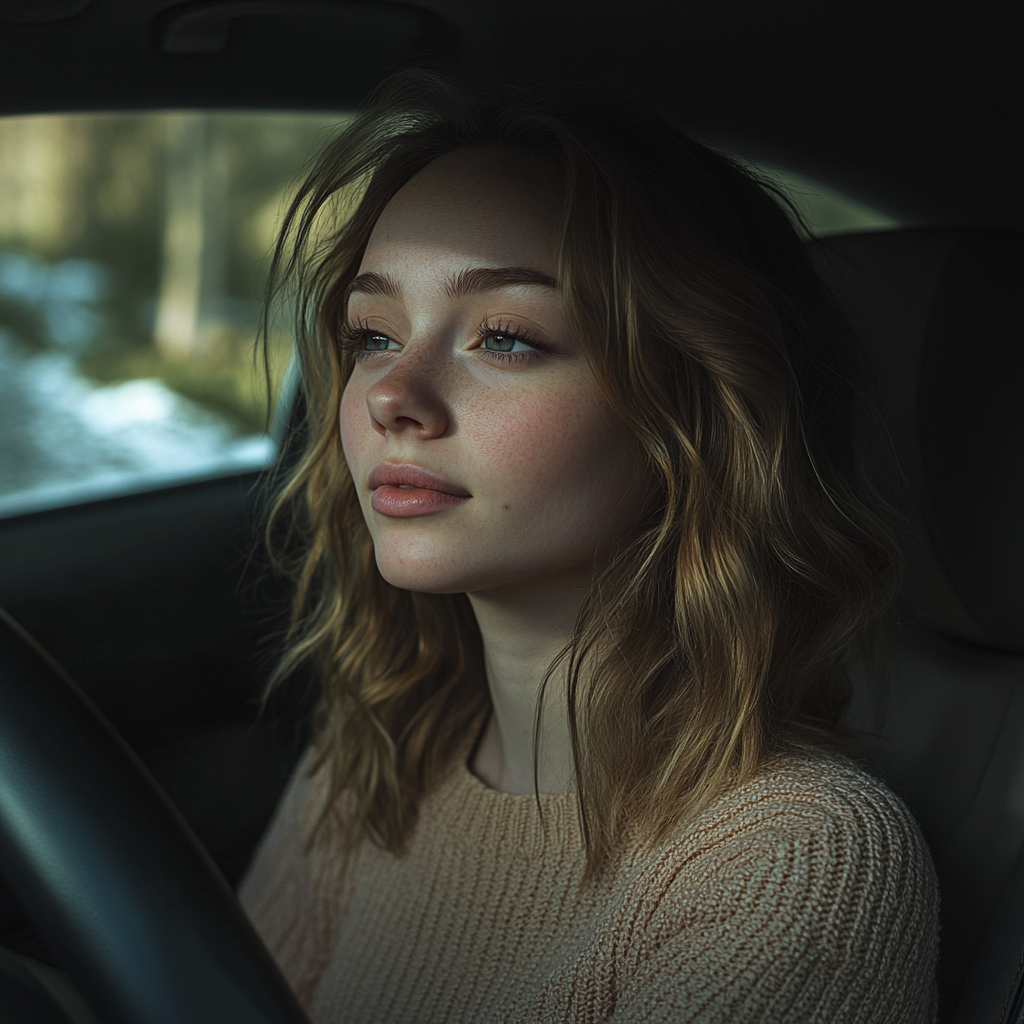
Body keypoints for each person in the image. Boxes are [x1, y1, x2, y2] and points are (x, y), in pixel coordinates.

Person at [239, 70, 940, 1023]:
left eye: (508, 338)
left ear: (695, 414)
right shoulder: (375, 762)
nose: (388, 395)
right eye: (372, 333)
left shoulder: (794, 864)